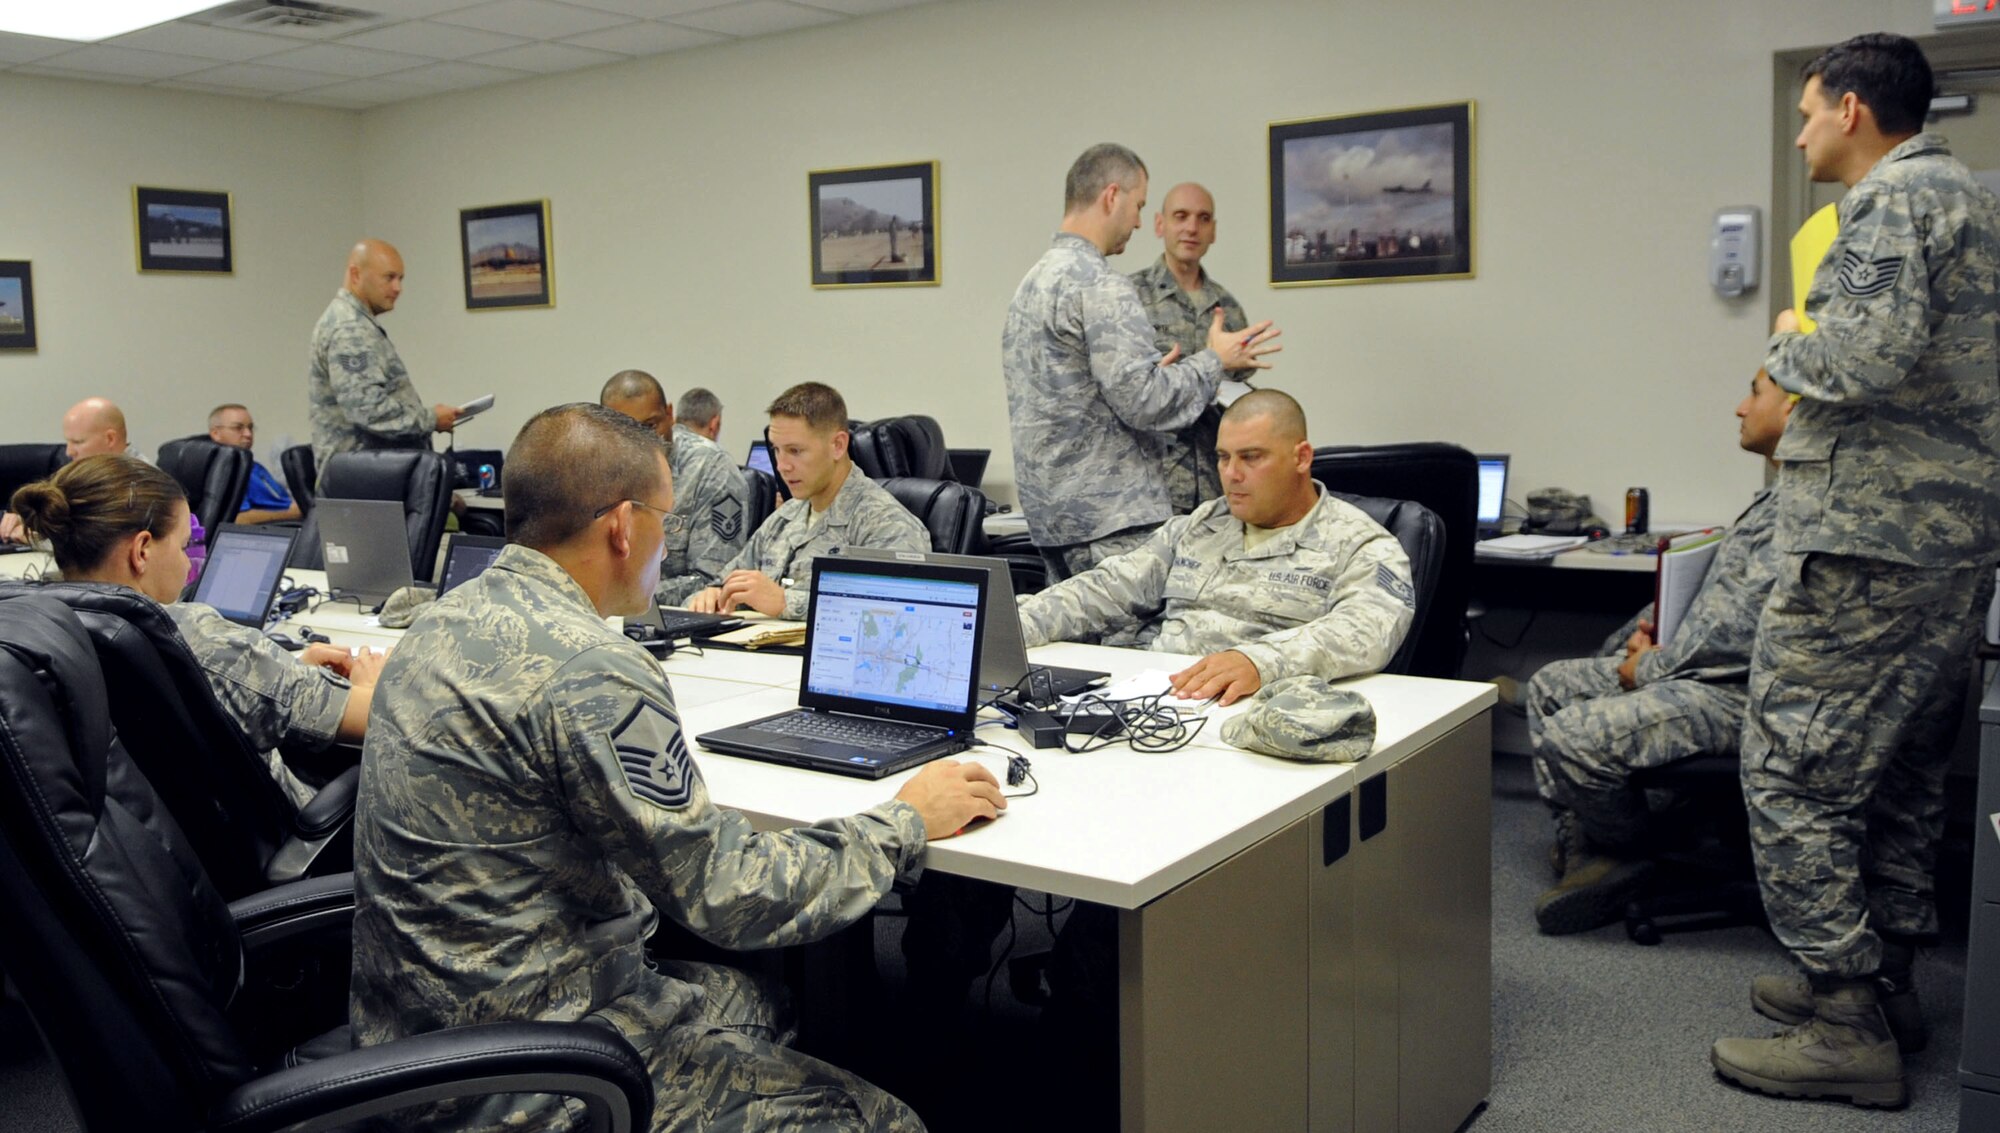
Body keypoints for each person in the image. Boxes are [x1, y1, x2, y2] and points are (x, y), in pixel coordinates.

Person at [348, 402, 1004, 1133]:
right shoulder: (594, 665)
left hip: (408, 1043)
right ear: (623, 526)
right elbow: (729, 893)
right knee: (889, 1120)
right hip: (531, 1078)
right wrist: (905, 821)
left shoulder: (438, 620)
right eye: (666, 515)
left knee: (764, 1001)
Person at [1710, 33, 2000, 1108]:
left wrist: (1787, 334)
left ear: (1850, 110)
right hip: (1947, 539)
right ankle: (1888, 982)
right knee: (1896, 775)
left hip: (1869, 542)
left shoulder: (1887, 205)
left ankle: (1845, 1018)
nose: (1798, 130)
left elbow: (1860, 356)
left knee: (1787, 768)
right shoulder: (1972, 202)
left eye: (1806, 110)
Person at [1526, 368, 1793, 935]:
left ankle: (1630, 851)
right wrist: (1652, 630)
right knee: (1551, 685)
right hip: (1702, 672)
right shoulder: (1777, 494)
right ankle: (1596, 850)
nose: (1740, 408)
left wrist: (1645, 666)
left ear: (1793, 409)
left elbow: (1733, 638)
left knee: (1573, 737)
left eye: (1754, 393)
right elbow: (1717, 599)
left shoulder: (1802, 508)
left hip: (1743, 694)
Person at [8, 454, 384, 808]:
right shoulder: (192, 636)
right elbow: (378, 719)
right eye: (185, 545)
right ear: (142, 550)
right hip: (297, 842)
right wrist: (372, 684)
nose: (188, 560)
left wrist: (288, 664)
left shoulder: (45, 623)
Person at [1017, 388, 1415, 705]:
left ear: (1302, 457)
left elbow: (1365, 631)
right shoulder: (1202, 525)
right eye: (1223, 458)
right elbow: (1105, 589)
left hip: (1261, 707)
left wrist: (1259, 661)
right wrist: (1011, 624)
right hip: (1156, 701)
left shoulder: (1361, 543)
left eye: (1251, 458)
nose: (1232, 474)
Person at [1001, 143, 1280, 581]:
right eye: (1138, 206)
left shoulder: (1033, 282)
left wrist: (1159, 373)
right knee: (1131, 650)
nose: (1135, 220)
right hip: (1113, 518)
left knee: (1071, 650)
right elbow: (1144, 402)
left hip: (1055, 516)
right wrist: (1213, 361)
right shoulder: (1102, 285)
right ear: (1112, 196)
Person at [687, 382, 926, 618]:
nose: (782, 466)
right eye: (776, 450)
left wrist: (785, 602)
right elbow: (727, 581)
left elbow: (894, 613)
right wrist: (712, 595)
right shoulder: (785, 517)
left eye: (795, 451)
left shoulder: (885, 524)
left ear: (838, 445)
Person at [1128, 182, 1251, 513]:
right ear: (1159, 224)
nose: (1191, 228)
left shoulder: (1227, 306)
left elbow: (1236, 391)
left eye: (1203, 218)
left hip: (1217, 484)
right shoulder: (1129, 297)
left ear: (1213, 231)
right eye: (1180, 216)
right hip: (1151, 485)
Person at [306, 238, 459, 479]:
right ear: (356, 275)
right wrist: (431, 419)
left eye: (401, 279)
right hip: (362, 479)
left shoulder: (355, 322)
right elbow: (367, 410)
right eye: (389, 278)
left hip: (373, 475)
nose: (398, 288)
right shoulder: (349, 329)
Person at [599, 371, 750, 605]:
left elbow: (712, 580)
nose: (641, 441)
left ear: (669, 414)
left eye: (649, 426)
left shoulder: (711, 467)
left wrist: (617, 596)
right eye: (625, 431)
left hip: (680, 618)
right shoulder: (599, 469)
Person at [3, 396, 139, 544]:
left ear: (110, 439)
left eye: (77, 442)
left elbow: (102, 546)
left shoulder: (138, 482)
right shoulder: (88, 474)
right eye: (67, 442)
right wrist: (25, 521)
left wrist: (35, 539)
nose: (69, 452)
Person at [207, 403, 301, 525]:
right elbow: (238, 519)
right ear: (216, 434)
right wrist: (292, 513)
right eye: (238, 428)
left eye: (250, 427)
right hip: (276, 529)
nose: (248, 434)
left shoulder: (252, 465)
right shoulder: (227, 471)